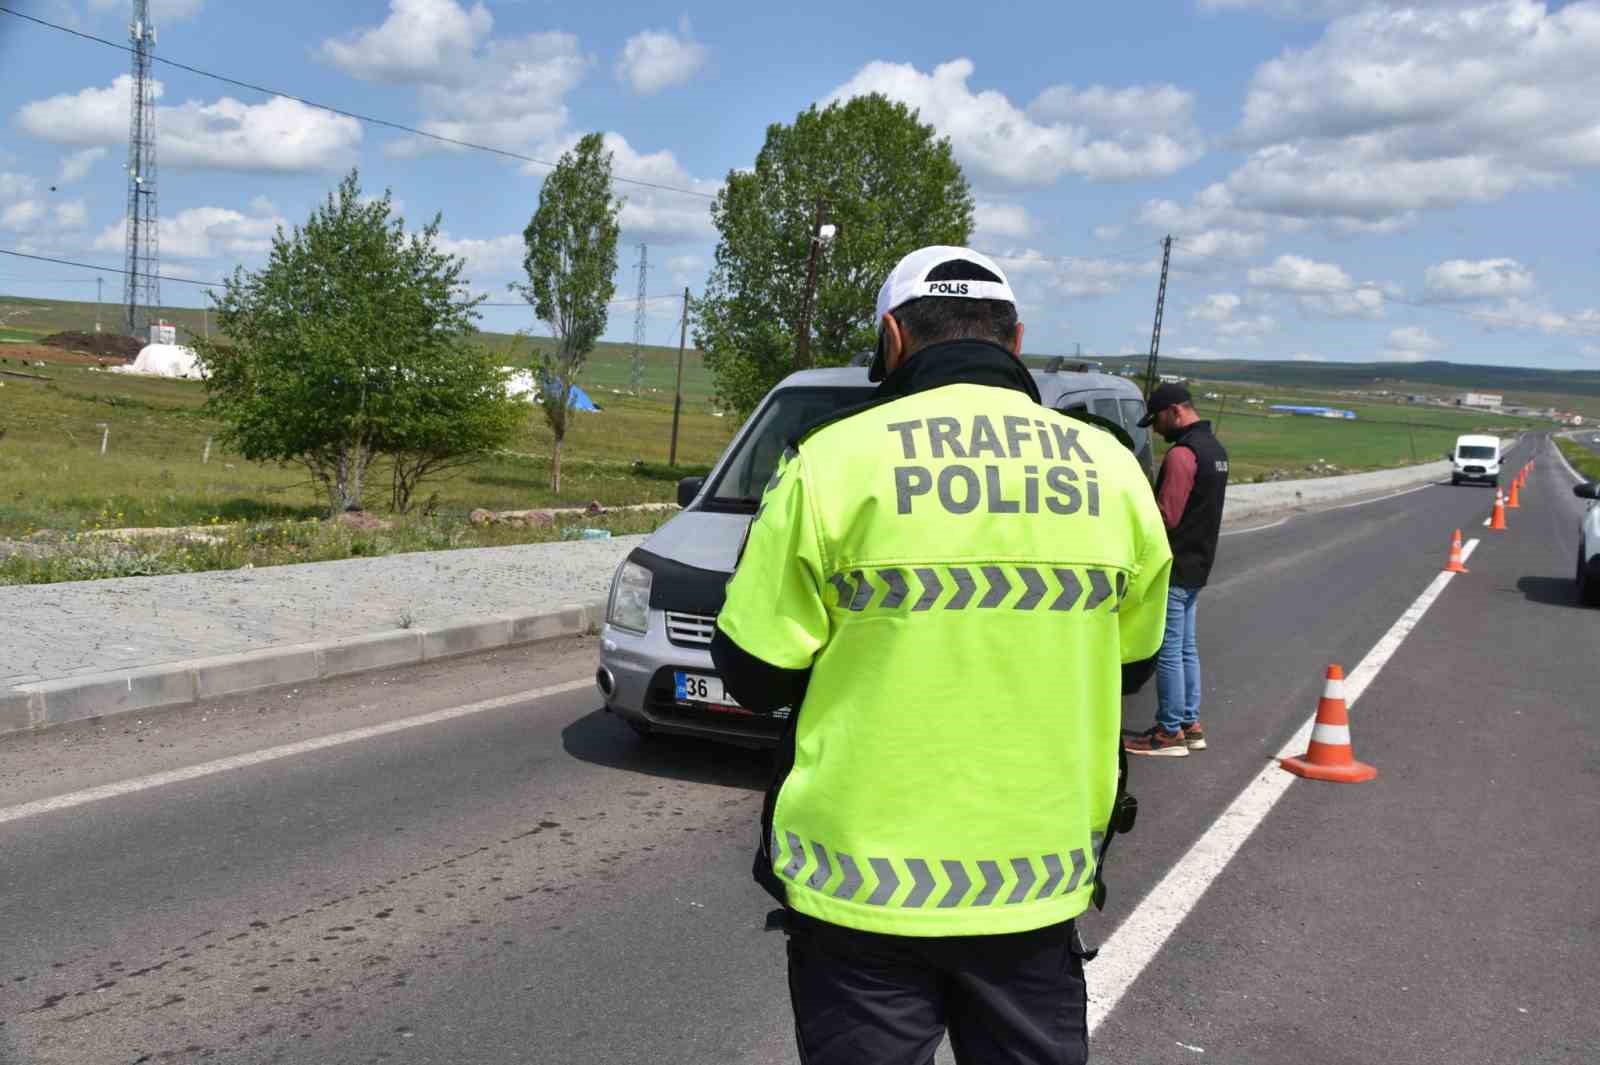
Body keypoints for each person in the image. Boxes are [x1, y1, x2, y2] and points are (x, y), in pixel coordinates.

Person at [709, 246, 1172, 1064]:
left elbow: (752, 671)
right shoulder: (1113, 471)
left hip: (858, 892)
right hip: (1034, 884)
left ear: (892, 337)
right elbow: (1131, 663)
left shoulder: (829, 463)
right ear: (1015, 338)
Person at [1124, 382, 1229, 757]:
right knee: (1186, 647)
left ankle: (1168, 733)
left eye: (1158, 421)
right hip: (1200, 562)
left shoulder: (1183, 455)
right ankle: (1189, 723)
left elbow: (1166, 516)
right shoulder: (1216, 449)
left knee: (1168, 650)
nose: (1156, 430)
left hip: (1175, 565)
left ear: (1175, 412)